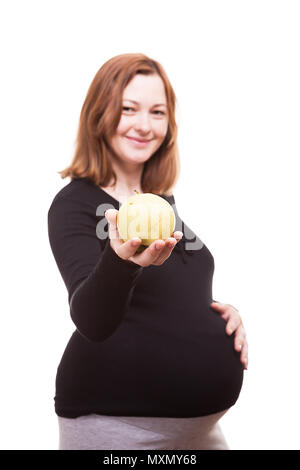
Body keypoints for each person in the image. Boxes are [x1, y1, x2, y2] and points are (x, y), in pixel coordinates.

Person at [47, 53, 248, 450]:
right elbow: (92, 318)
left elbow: (165, 293)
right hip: (117, 428)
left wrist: (216, 311)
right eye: (128, 109)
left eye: (158, 112)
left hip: (201, 430)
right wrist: (120, 260)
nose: (144, 125)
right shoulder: (74, 205)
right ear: (99, 113)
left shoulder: (158, 200)